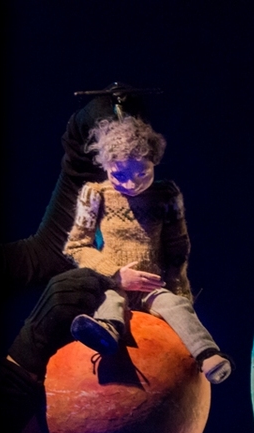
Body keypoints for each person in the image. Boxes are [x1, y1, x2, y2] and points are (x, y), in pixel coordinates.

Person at [62, 115, 232, 383]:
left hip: (152, 286)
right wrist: (115, 274)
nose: (131, 184)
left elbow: (177, 250)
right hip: (113, 284)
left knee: (175, 305)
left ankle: (207, 354)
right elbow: (76, 247)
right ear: (106, 167)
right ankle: (107, 331)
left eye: (142, 173)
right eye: (119, 175)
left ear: (154, 163)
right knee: (110, 301)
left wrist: (179, 290)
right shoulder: (95, 195)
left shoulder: (166, 196)